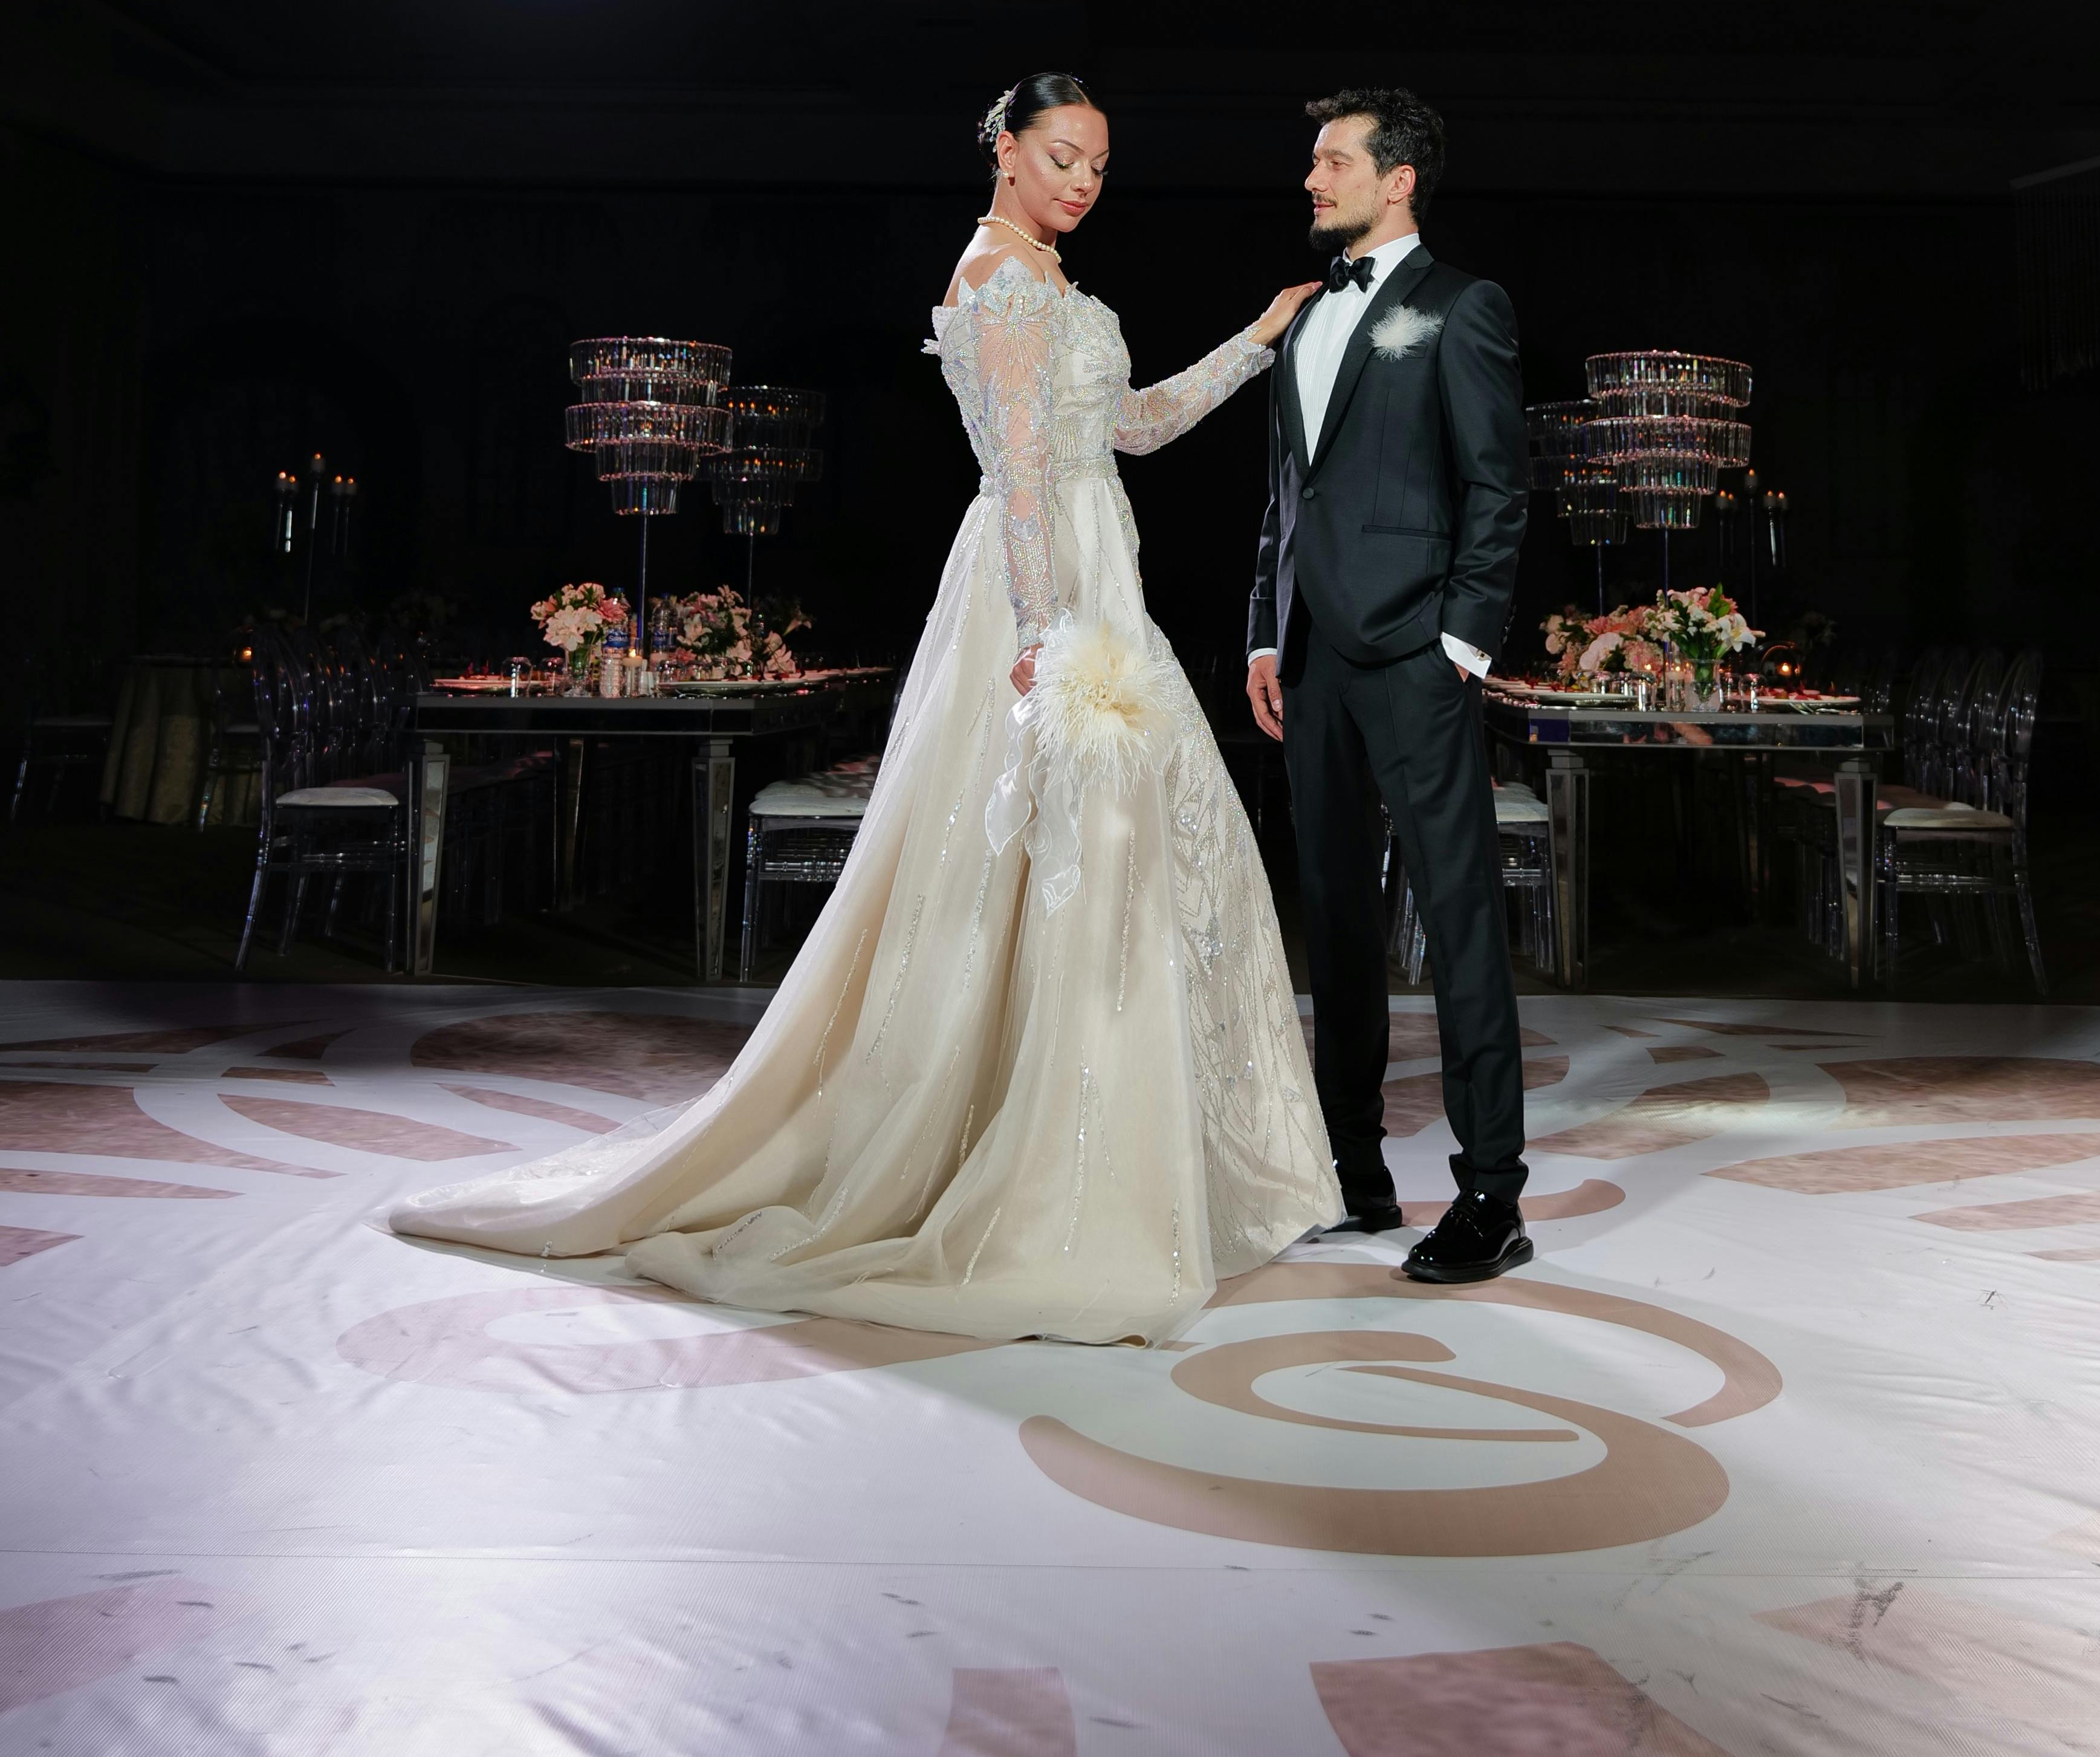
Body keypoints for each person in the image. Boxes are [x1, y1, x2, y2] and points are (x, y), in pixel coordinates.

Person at [391, 71, 1340, 1343]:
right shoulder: (995, 279)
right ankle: (1034, 1172)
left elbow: (1133, 426)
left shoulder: (1052, 282)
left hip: (1095, 570)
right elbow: (1013, 479)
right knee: (1054, 857)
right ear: (1004, 147)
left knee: (1142, 859)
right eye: (1061, 154)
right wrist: (1041, 636)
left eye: (1098, 166)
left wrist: (1260, 333)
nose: (1080, 181)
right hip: (1038, 592)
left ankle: (1120, 1163)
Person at [1247, 87, 1531, 1284]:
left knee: (1457, 914)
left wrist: (1460, 645)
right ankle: (1352, 1178)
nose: (1311, 179)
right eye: (1311, 161)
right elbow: (1285, 497)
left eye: (1332, 161)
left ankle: (1488, 1197)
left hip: (1416, 655)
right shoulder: (1302, 314)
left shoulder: (1460, 307)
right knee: (1336, 919)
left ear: (1397, 178)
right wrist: (1266, 633)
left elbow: (1496, 488)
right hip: (1308, 658)